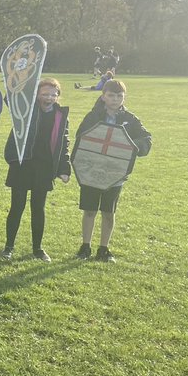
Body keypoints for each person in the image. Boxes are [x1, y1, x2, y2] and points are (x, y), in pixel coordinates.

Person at [73, 80, 151, 263]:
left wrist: (132, 145)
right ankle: (85, 247)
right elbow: (81, 138)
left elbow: (146, 139)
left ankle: (104, 249)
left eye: (119, 96)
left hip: (116, 172)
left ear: (124, 97)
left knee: (108, 212)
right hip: (92, 171)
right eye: (111, 95)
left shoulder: (131, 119)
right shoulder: (93, 116)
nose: (115, 99)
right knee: (90, 210)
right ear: (103, 96)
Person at [0, 78, 72, 261]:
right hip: (22, 164)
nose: (49, 98)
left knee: (38, 208)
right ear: (37, 94)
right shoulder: (27, 109)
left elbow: (63, 143)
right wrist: (21, 79)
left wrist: (64, 168)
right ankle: (8, 247)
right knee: (17, 206)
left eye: (53, 94)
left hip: (44, 167)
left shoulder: (60, 115)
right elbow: (10, 99)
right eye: (45, 94)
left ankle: (37, 249)